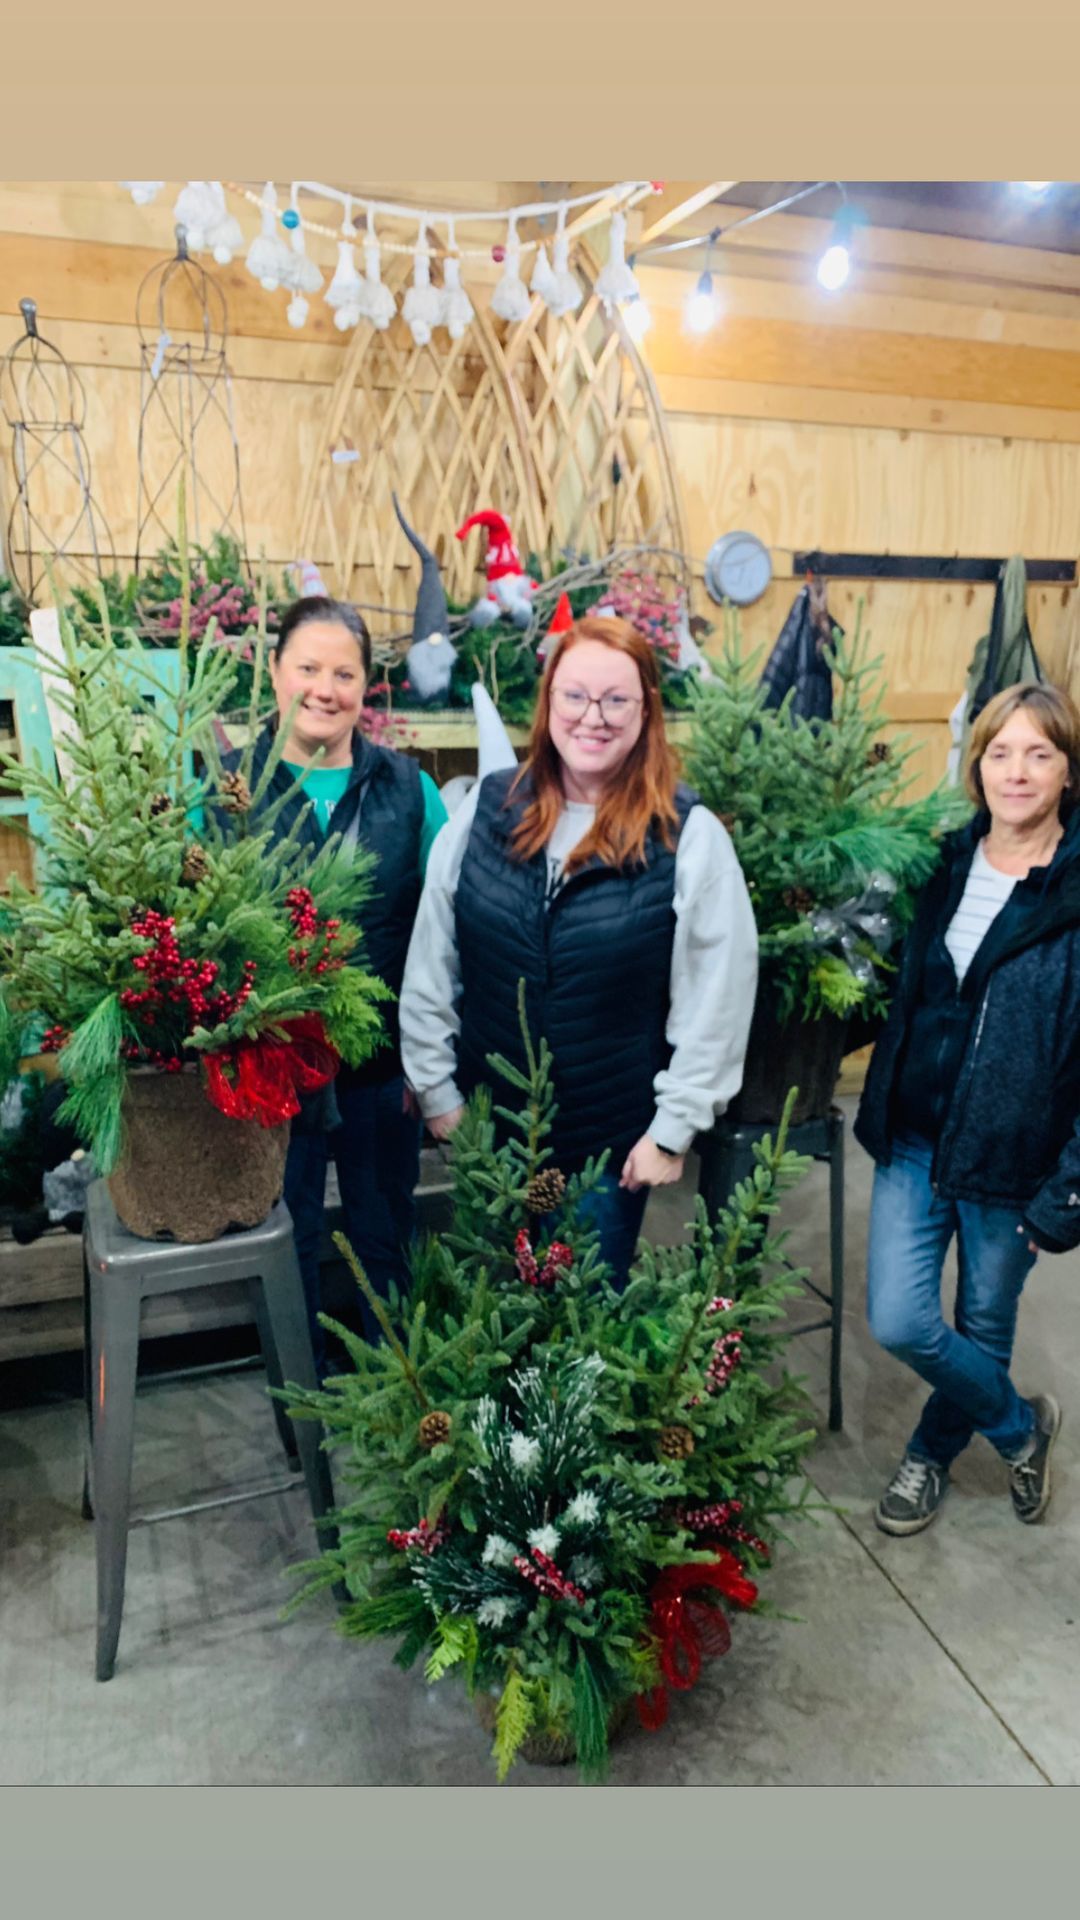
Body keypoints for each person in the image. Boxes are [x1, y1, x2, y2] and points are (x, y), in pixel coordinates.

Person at [399, 614, 759, 1282]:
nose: (593, 716)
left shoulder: (689, 836)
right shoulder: (484, 814)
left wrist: (673, 1128)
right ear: (549, 702)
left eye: (616, 698)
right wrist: (439, 1093)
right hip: (489, 1135)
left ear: (646, 708)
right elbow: (432, 963)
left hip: (605, 1150)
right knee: (490, 1324)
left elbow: (719, 997)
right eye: (575, 695)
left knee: (578, 1340)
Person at [855, 681, 1080, 1536]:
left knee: (984, 1320)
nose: (1016, 773)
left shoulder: (1072, 891)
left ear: (1066, 769)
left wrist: (1066, 1193)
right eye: (999, 752)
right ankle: (1022, 1428)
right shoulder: (943, 863)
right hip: (915, 1137)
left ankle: (929, 1456)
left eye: (1039, 753)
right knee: (901, 1319)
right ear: (976, 762)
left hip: (1012, 1156)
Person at [222, 596, 447, 1367]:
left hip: (384, 1067)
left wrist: (434, 1055)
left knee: (384, 1221)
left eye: (344, 672)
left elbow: (446, 924)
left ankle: (398, 1381)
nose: (326, 688)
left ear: (366, 686)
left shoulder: (407, 788)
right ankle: (301, 1395)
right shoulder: (227, 792)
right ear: (276, 673)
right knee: (290, 1231)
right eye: (308, 668)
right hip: (271, 1072)